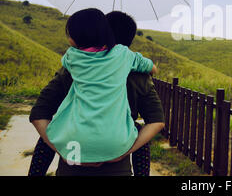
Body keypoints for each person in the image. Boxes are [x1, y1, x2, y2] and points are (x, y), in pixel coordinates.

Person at [29, 10, 164, 176]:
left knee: (56, 126)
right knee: (136, 129)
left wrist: (63, 150)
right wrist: (124, 152)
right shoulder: (137, 74)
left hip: (72, 161)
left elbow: (39, 114)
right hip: (117, 161)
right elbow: (157, 121)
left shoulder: (73, 66)